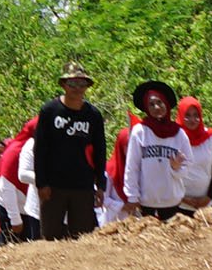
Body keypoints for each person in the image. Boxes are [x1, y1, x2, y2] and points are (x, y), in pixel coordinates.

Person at [30, 70, 109, 239]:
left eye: (82, 84)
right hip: (53, 185)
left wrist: (101, 185)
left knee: (82, 236)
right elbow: (41, 148)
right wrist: (41, 182)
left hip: (83, 185)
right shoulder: (49, 111)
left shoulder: (93, 115)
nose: (77, 88)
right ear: (64, 85)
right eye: (72, 83)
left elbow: (100, 150)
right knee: (51, 236)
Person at [119, 83, 189, 219]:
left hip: (171, 200)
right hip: (147, 201)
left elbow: (187, 166)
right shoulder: (140, 132)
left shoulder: (179, 133)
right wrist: (132, 196)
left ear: (166, 104)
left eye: (160, 102)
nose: (156, 107)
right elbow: (132, 166)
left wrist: (176, 168)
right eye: (151, 104)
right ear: (146, 107)